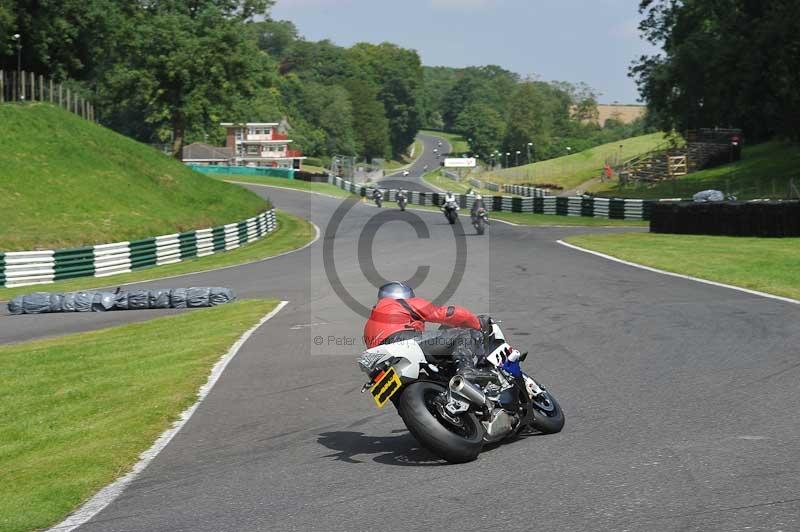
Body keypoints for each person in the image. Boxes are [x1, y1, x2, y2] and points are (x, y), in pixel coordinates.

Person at [363, 281, 490, 378]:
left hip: (381, 361)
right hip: (403, 341)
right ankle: (466, 368)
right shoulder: (402, 303)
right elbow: (447, 313)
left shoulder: (369, 324)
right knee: (464, 334)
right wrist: (477, 324)